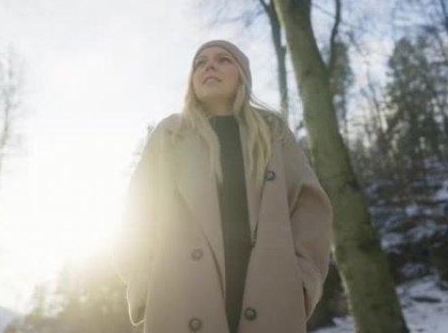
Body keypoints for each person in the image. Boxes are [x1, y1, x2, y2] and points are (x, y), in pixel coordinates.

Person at [112, 40, 333, 333]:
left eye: (223, 59)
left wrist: (304, 281)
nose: (209, 66)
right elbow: (136, 212)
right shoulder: (169, 134)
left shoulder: (273, 131)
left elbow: (310, 208)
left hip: (272, 297)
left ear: (241, 73)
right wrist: (144, 285)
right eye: (200, 62)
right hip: (180, 299)